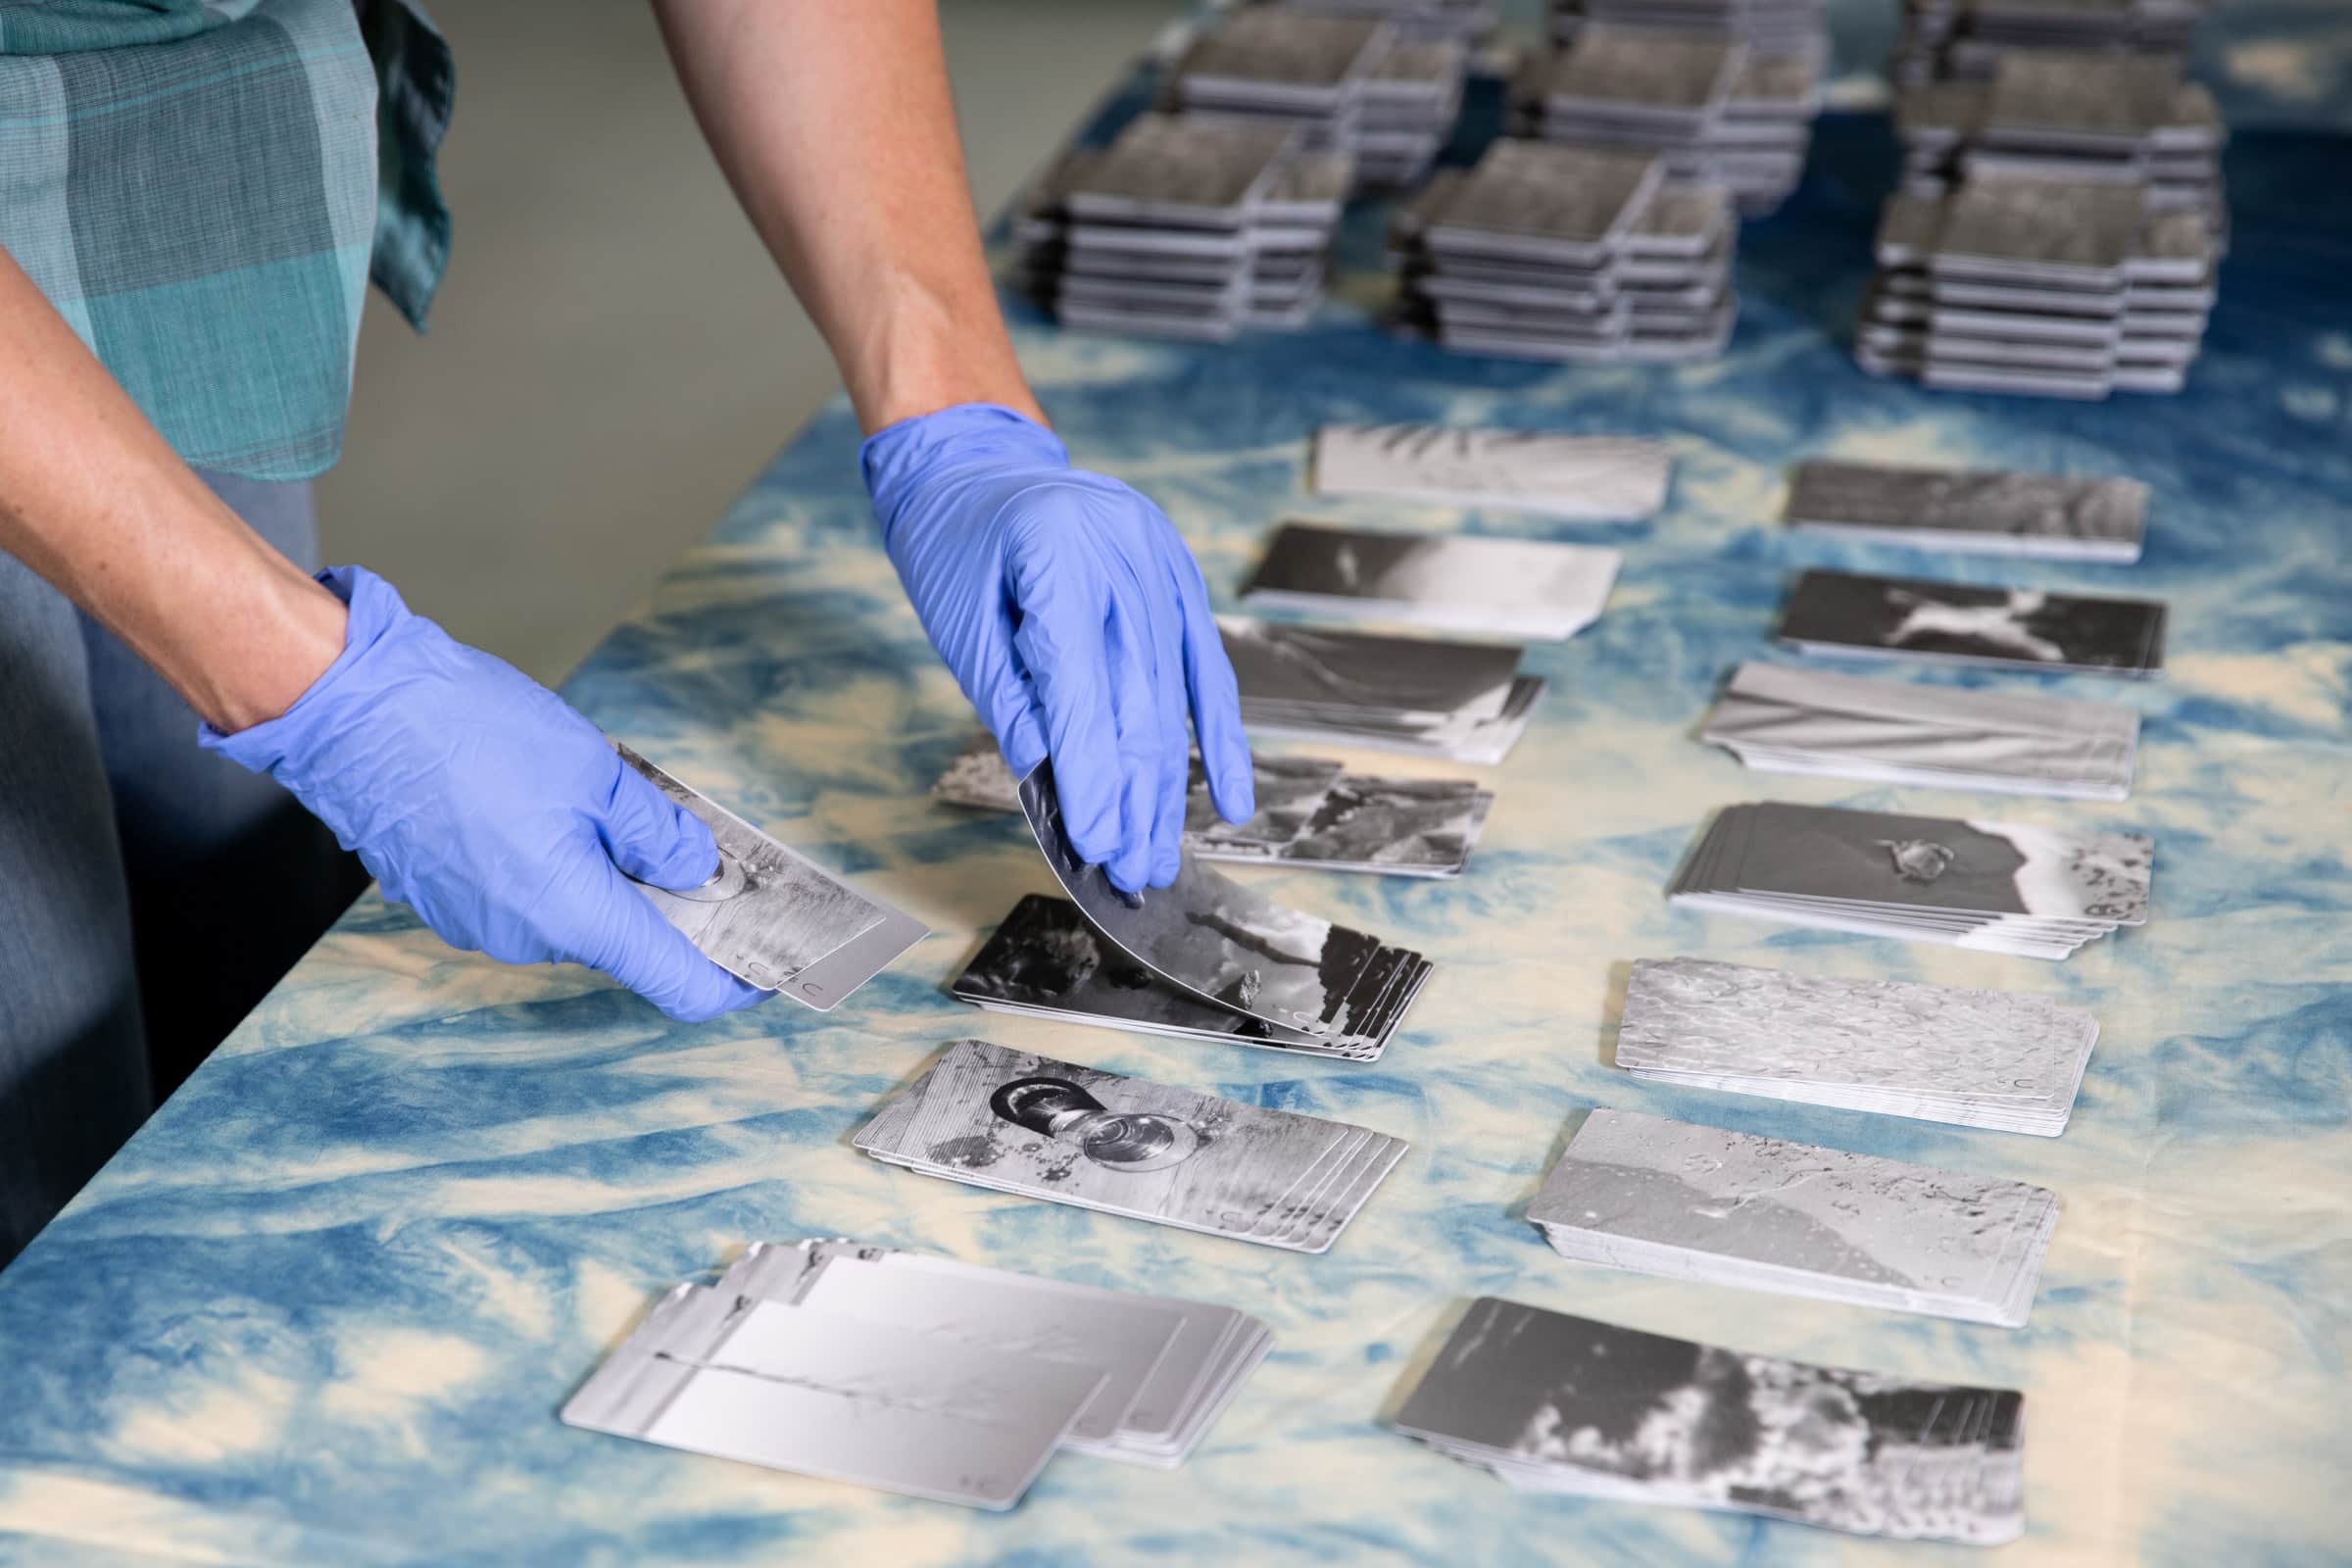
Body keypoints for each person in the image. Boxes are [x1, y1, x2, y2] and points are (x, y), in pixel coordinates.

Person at [0, 1, 1255, 1261]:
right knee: (43, 1132)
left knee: (239, 990)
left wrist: (953, 407)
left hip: (164, 163)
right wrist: (311, 679)